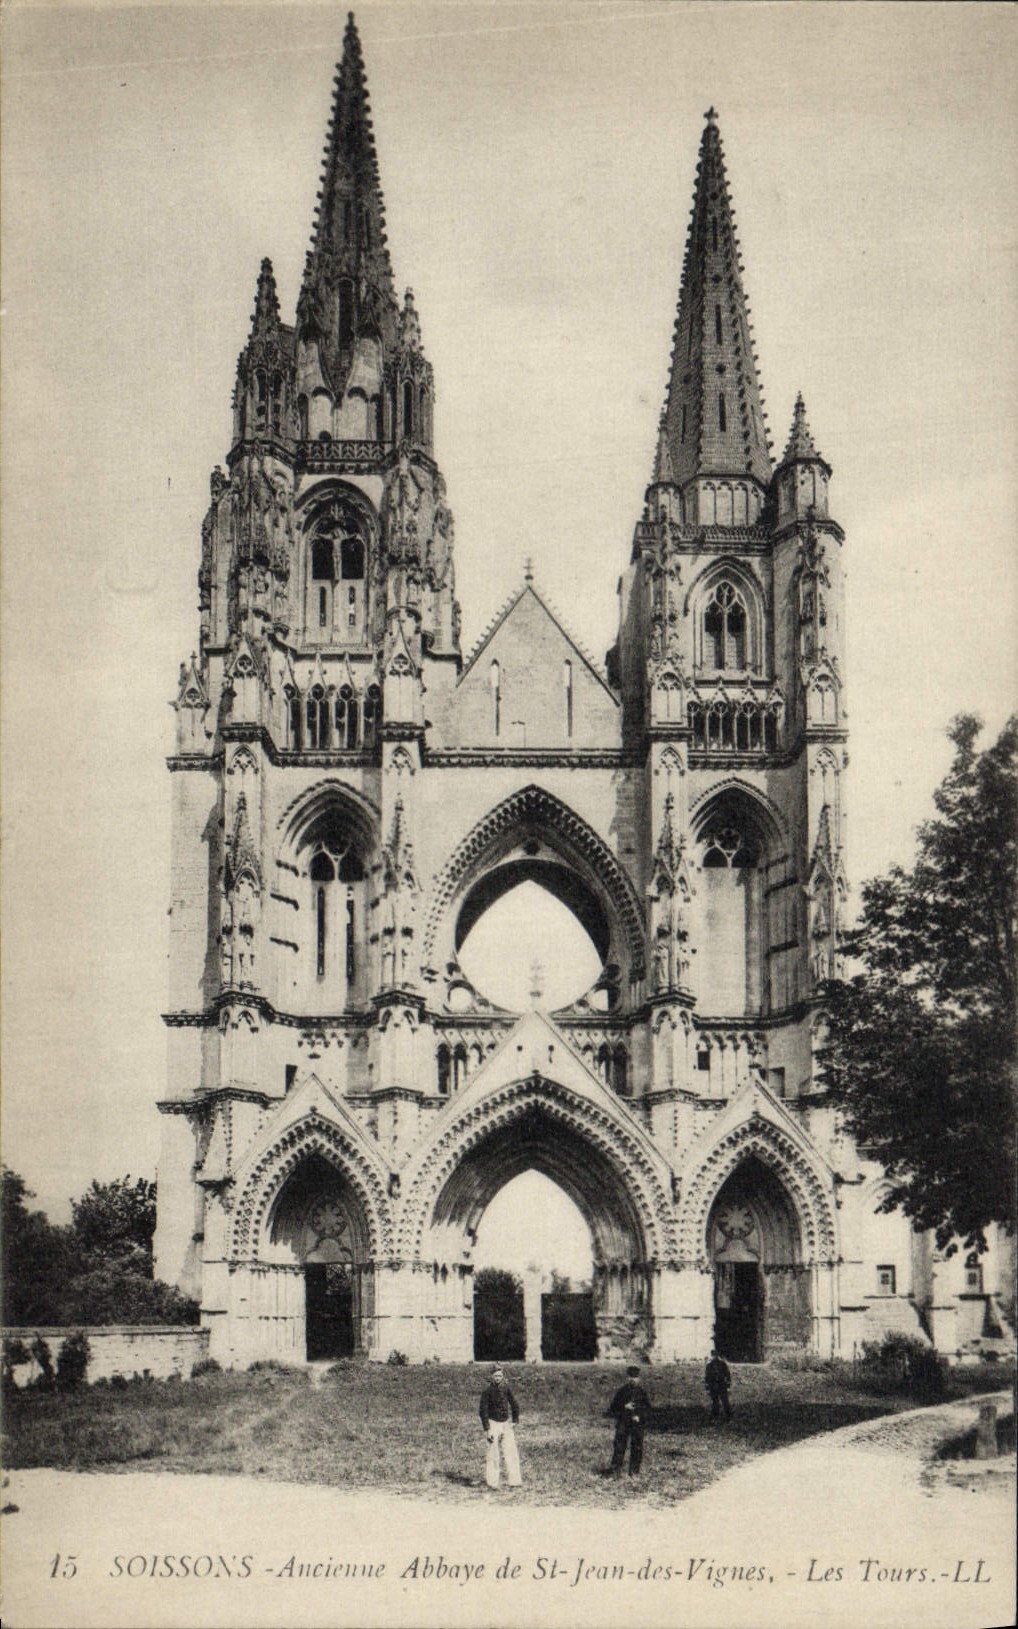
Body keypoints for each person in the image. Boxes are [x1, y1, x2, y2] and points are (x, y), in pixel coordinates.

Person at [479, 1366, 521, 1489]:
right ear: (491, 1377)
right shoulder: (487, 1391)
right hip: (493, 1424)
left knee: (511, 1451)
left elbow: (514, 1404)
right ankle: (492, 1482)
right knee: (493, 1453)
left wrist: (515, 1420)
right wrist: (487, 1429)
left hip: (506, 1423)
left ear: (503, 1377)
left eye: (500, 1376)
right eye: (496, 1376)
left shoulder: (506, 1389)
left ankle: (515, 1481)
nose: (498, 1378)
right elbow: (483, 1411)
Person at [608, 1364, 651, 1478]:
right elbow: (613, 1408)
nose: (633, 1379)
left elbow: (647, 1409)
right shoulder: (621, 1392)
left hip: (637, 1424)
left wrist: (639, 1416)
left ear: (639, 1378)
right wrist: (624, 1406)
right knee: (619, 1446)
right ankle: (615, 1471)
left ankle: (634, 1471)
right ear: (627, 1378)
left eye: (636, 1377)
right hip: (623, 1422)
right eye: (631, 1377)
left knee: (637, 1446)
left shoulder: (642, 1393)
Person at [705, 1349, 732, 1422]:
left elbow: (728, 1375)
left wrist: (728, 1386)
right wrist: (707, 1388)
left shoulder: (723, 1364)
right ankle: (714, 1418)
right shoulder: (709, 1366)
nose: (715, 1357)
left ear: (718, 1356)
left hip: (722, 1385)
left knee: (725, 1402)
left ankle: (728, 1417)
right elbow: (707, 1378)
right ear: (712, 1356)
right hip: (713, 1386)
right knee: (715, 1403)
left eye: (716, 1355)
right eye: (713, 1355)